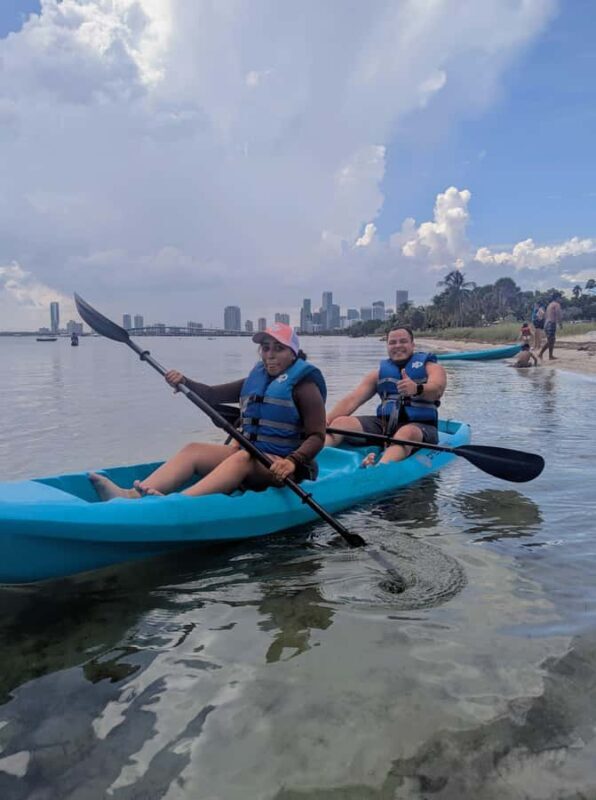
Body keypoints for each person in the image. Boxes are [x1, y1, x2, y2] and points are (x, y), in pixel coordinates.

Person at [90, 323, 327, 500]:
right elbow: (212, 395)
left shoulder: (305, 387)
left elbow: (317, 436)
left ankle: (181, 503)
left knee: (242, 457)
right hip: (255, 458)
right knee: (194, 449)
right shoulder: (257, 380)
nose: (270, 355)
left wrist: (292, 462)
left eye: (279, 348)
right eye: (265, 348)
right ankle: (132, 495)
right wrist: (184, 382)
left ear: (293, 353)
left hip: (285, 470)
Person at [325, 325, 447, 466]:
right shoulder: (378, 374)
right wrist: (326, 421)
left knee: (405, 433)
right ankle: (310, 458)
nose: (398, 346)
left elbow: (437, 389)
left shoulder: (431, 368)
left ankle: (378, 469)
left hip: (421, 428)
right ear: (387, 346)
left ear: (413, 344)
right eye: (392, 342)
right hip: (385, 426)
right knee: (340, 423)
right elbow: (353, 400)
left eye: (403, 341)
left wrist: (417, 388)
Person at [538, 292, 563, 361]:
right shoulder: (556, 304)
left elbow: (546, 315)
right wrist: (560, 324)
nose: (561, 299)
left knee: (552, 340)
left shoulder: (550, 305)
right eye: (560, 298)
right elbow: (558, 315)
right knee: (550, 340)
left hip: (547, 323)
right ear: (557, 298)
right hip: (551, 323)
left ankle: (550, 356)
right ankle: (541, 354)